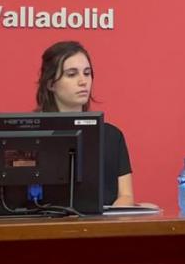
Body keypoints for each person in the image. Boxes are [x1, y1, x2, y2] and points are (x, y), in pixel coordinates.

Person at [36, 41, 135, 206]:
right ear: (50, 83)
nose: (83, 81)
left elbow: (126, 196)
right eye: (71, 74)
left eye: (87, 73)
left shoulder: (112, 136)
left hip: (104, 221)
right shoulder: (35, 134)